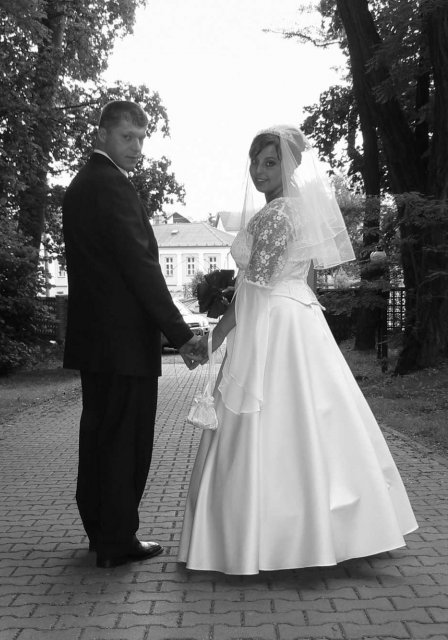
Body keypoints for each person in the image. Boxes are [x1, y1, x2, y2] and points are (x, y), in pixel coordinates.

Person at [178, 125, 418, 575]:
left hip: (272, 320)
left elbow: (255, 287)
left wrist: (212, 339)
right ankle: (337, 529)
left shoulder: (275, 215)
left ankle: (266, 540)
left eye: (270, 162)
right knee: (316, 416)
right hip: (299, 320)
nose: (259, 171)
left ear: (287, 166)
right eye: (255, 162)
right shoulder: (299, 211)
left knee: (271, 420)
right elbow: (305, 280)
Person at [63, 100, 204, 569]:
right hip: (124, 345)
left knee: (98, 438)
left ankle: (100, 532)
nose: (137, 147)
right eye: (128, 136)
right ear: (101, 134)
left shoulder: (79, 186)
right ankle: (118, 541)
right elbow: (140, 267)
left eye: (142, 138)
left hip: (94, 342)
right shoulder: (114, 187)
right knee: (126, 442)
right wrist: (181, 335)